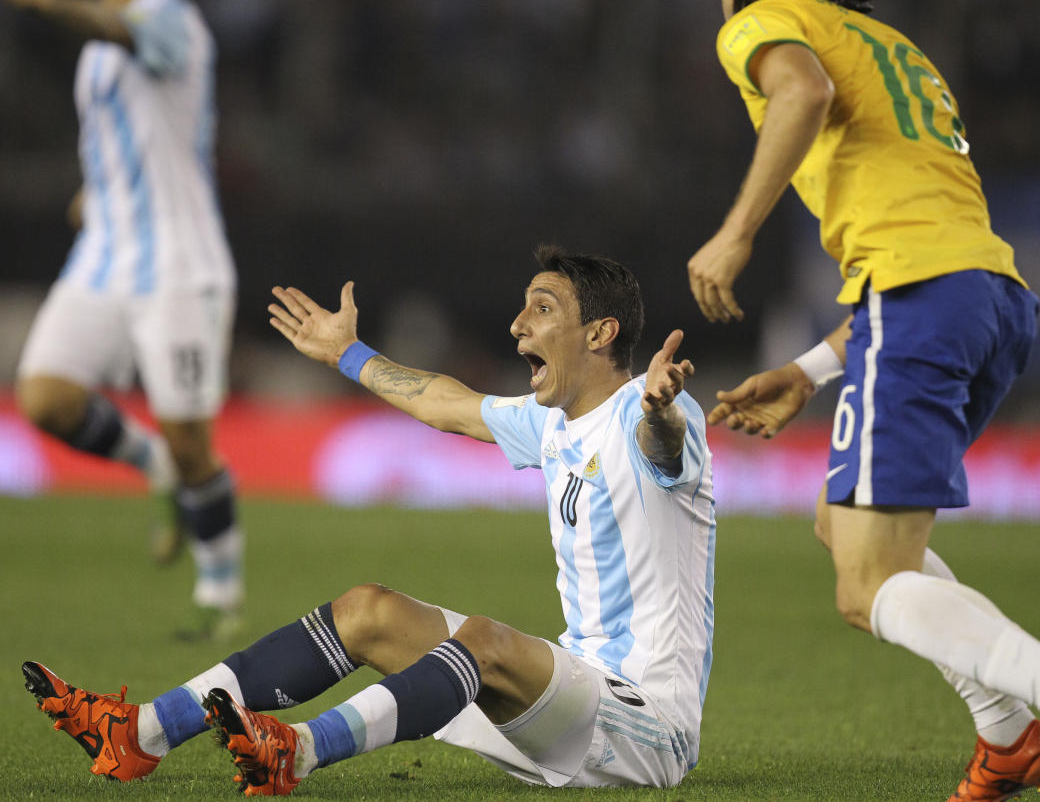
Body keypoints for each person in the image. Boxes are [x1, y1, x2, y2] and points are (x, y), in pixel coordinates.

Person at [688, 0, 1040, 801]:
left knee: (868, 586)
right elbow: (926, 235)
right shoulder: (887, 41)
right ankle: (1009, 738)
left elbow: (802, 91)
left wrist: (738, 230)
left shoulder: (762, 26)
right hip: (987, 298)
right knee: (844, 525)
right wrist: (810, 370)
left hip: (919, 300)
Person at [22, 245, 717, 794]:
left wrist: (660, 412)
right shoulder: (553, 423)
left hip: (646, 726)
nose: (517, 325)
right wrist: (347, 356)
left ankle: (299, 750)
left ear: (600, 331)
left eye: (541, 308)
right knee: (367, 612)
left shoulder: (650, 409)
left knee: (486, 641)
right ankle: (140, 733)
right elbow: (446, 402)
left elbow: (663, 448)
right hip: (572, 697)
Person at [0, 0, 242, 636]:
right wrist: (97, 188)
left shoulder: (170, 16)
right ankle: (154, 464)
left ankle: (220, 599)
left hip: (178, 262)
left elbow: (123, 31)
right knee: (44, 397)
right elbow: (137, 129)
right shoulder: (104, 43)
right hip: (104, 254)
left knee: (194, 436)